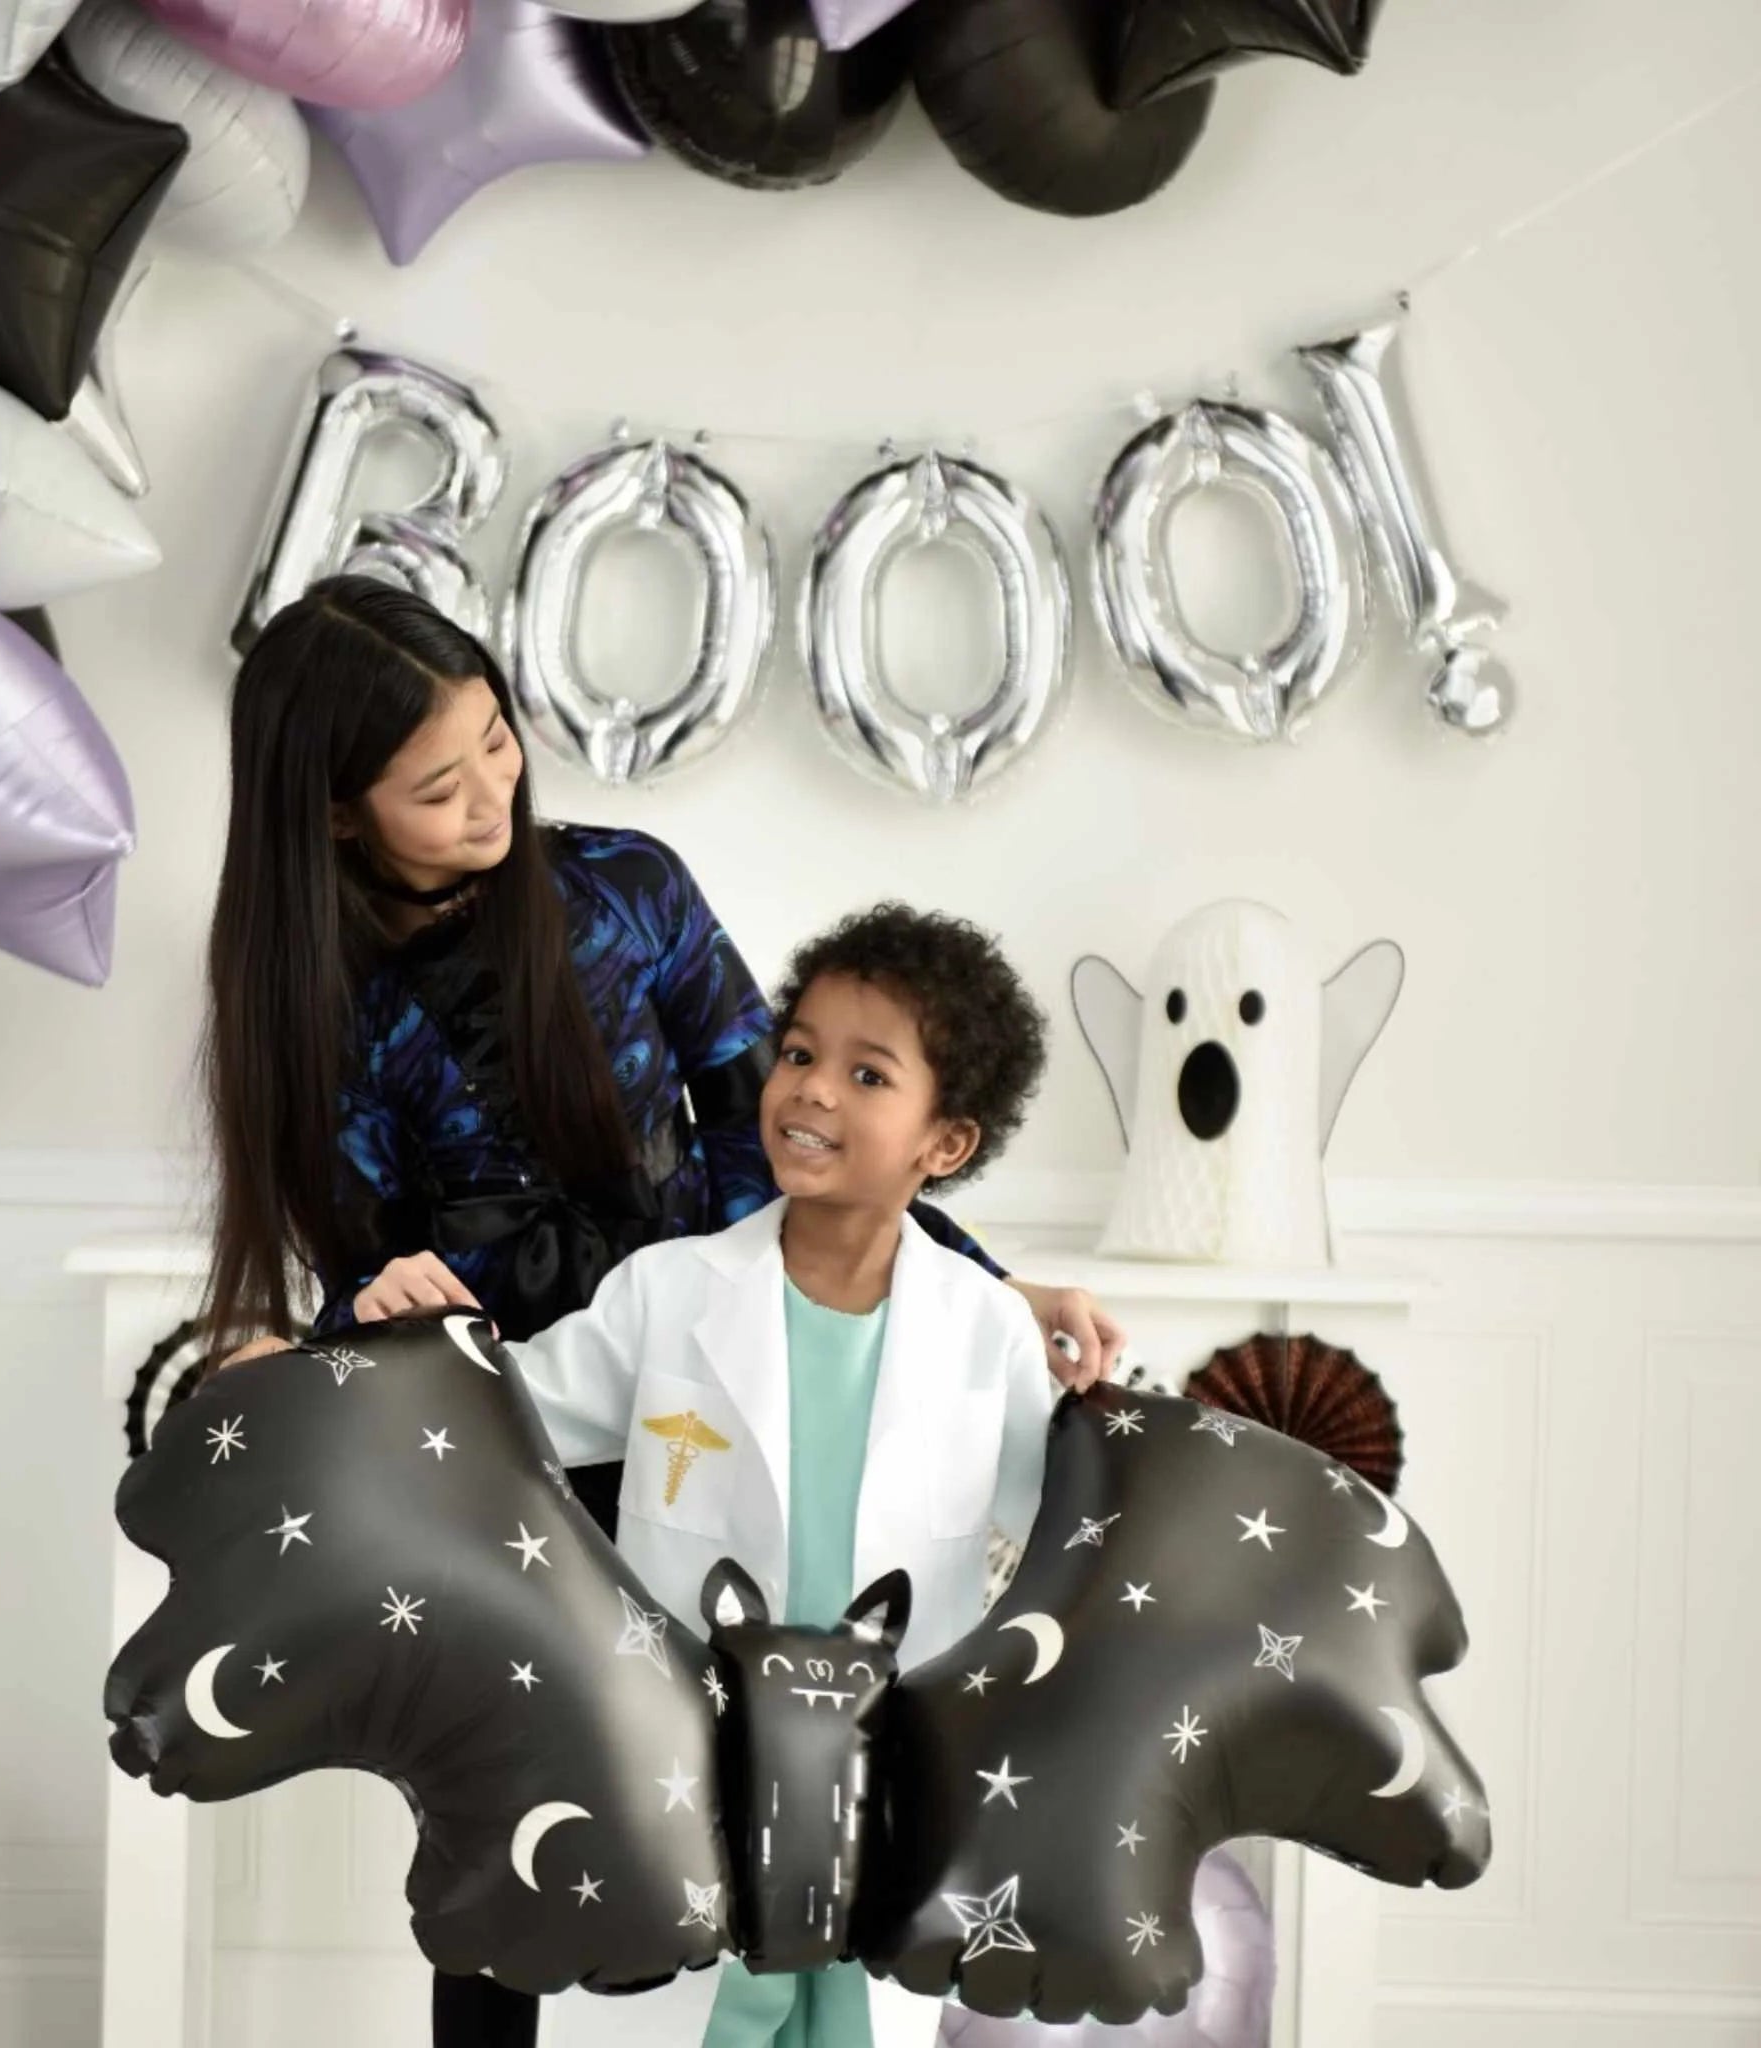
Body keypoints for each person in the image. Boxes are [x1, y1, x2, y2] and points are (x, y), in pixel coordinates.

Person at [199, 577, 1125, 2048]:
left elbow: (809, 1141)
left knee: (738, 1842)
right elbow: (359, 1263)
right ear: (330, 814)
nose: (492, 791)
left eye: (498, 741)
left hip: (702, 1396)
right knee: (507, 1836)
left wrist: (990, 1284)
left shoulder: (624, 891)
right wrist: (368, 1297)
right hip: (503, 1442)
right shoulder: (311, 998)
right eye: (438, 786)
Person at [502, 902, 1061, 2048]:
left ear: (941, 1143)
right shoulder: (667, 1294)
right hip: (690, 1786)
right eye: (798, 1052)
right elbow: (502, 1416)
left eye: (866, 1073)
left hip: (883, 1794)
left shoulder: (984, 1330)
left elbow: (1065, 1534)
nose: (807, 1089)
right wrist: (390, 1337)